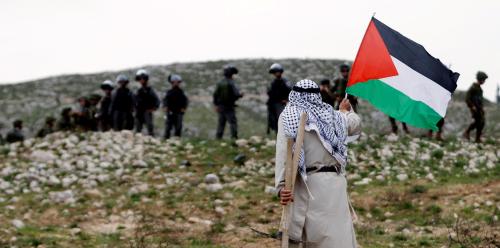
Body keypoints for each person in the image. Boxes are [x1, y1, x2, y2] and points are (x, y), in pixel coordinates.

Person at [275, 79, 360, 247]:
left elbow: (284, 155)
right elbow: (355, 123)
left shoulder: (288, 116)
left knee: (313, 237)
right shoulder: (333, 116)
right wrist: (346, 111)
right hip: (335, 185)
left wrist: (281, 186)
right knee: (337, 237)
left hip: (308, 184)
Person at [213, 64, 243, 139]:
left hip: (221, 107)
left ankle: (218, 138)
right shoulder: (231, 83)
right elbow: (236, 94)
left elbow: (215, 95)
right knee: (233, 123)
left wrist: (216, 105)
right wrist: (241, 95)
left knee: (221, 124)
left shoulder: (220, 83)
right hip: (229, 107)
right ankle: (234, 138)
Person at [267, 63, 291, 134]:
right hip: (272, 104)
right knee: (274, 121)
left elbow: (290, 91)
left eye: (276, 72)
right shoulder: (273, 82)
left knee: (281, 120)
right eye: (274, 72)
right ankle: (277, 135)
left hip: (281, 104)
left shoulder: (285, 81)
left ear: (280, 72)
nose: (275, 74)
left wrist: (286, 100)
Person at [134, 69, 160, 136]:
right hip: (139, 112)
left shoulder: (150, 90)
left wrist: (154, 108)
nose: (141, 80)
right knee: (138, 129)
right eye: (140, 79)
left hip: (147, 111)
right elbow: (135, 101)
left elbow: (156, 100)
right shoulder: (139, 91)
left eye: (143, 78)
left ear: (146, 79)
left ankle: (151, 141)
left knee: (149, 127)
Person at [464, 71, 488, 143]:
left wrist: (481, 108)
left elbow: (480, 100)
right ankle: (467, 132)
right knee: (478, 122)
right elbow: (467, 98)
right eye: (483, 79)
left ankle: (477, 138)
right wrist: (472, 106)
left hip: (479, 108)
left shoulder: (480, 89)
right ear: (480, 79)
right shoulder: (473, 87)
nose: (484, 81)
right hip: (474, 108)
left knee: (481, 122)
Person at [163, 74, 188, 139]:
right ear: (172, 83)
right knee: (168, 128)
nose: (176, 83)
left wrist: (184, 108)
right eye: (174, 82)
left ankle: (177, 141)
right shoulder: (169, 92)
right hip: (170, 113)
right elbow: (165, 100)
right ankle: (166, 141)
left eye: (177, 82)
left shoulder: (181, 92)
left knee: (178, 128)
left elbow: (185, 101)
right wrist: (165, 106)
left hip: (178, 113)